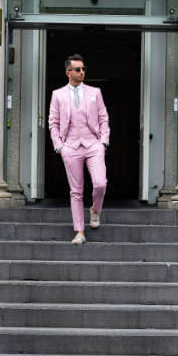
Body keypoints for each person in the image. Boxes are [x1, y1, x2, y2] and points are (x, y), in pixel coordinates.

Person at [48, 53, 110, 244]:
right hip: (70, 147)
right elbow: (53, 122)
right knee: (76, 191)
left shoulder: (95, 92)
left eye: (83, 69)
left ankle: (95, 210)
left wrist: (103, 141)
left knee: (100, 183)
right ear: (68, 72)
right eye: (77, 69)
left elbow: (103, 118)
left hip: (93, 144)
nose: (82, 72)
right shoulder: (57, 95)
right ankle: (80, 232)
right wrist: (60, 146)